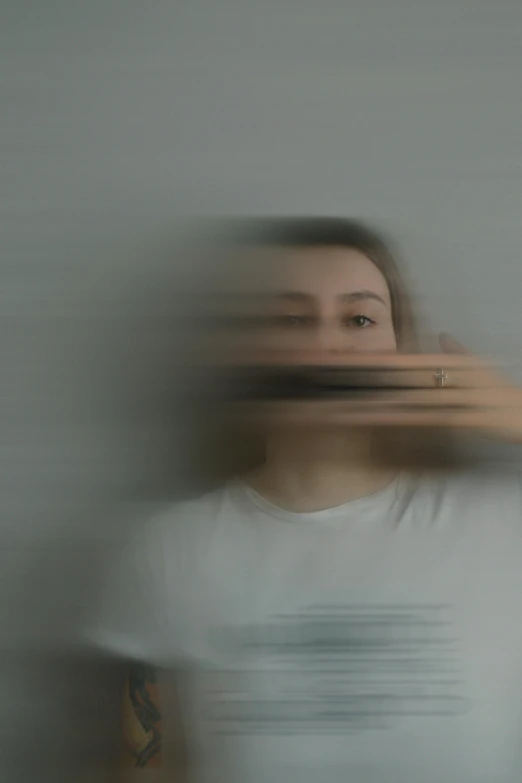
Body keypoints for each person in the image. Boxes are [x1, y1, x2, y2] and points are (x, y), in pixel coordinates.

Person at [87, 218, 522, 783]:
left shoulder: (500, 523)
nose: (326, 346)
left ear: (400, 351)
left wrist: (511, 413)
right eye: (290, 318)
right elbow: (146, 764)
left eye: (359, 318)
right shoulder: (170, 548)